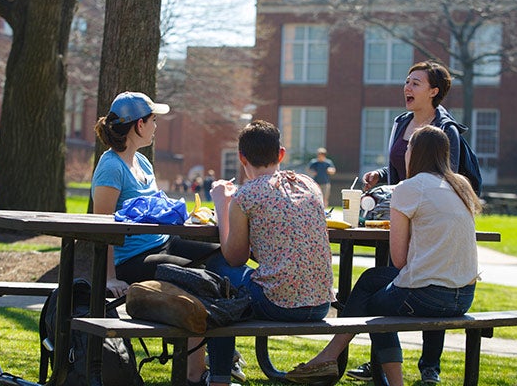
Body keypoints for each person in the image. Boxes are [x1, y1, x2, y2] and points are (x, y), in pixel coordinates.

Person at [286, 125, 482, 385]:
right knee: (371, 278)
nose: (405, 153)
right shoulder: (461, 186)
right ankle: (329, 356)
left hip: (431, 295)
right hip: (464, 296)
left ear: (416, 153)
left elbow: (399, 260)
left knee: (374, 304)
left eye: (409, 147)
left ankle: (382, 378)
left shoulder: (409, 188)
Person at [352, 60, 475, 384]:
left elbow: (447, 179)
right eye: (407, 81)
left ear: (434, 91)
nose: (407, 87)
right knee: (388, 278)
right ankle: (378, 361)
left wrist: (411, 198)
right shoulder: (401, 122)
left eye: (416, 83)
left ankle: (428, 368)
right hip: (400, 211)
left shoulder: (445, 130)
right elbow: (397, 171)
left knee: (422, 274)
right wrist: (381, 175)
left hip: (427, 221)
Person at [91, 91, 220, 384]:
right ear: (138, 125)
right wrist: (109, 277)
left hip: (164, 242)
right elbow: (102, 227)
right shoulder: (111, 166)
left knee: (222, 253)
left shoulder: (144, 164)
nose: (156, 126)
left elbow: (154, 210)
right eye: (152, 120)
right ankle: (196, 374)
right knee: (196, 276)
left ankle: (219, 356)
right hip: (134, 260)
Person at [206, 120, 336, 386]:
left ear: (242, 157)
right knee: (232, 280)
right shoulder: (310, 185)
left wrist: (222, 204)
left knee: (217, 280)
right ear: (281, 154)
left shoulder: (247, 195)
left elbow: (233, 258)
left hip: (279, 304)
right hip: (321, 304)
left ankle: (218, 376)